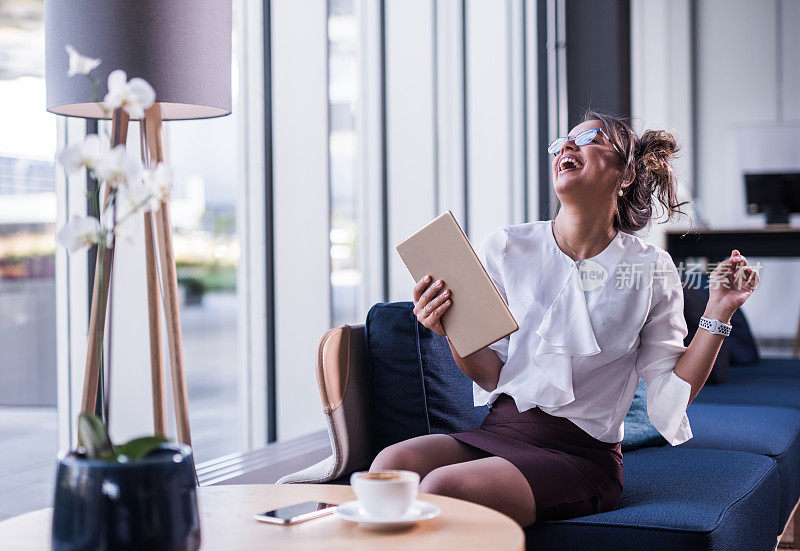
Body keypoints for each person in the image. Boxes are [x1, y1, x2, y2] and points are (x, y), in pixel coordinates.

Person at [369, 110, 761, 527]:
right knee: (390, 466)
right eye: (561, 143)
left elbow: (669, 388)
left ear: (626, 174)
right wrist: (450, 327)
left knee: (443, 490)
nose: (566, 147)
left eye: (589, 137)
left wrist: (719, 310)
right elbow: (489, 376)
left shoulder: (651, 268)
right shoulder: (506, 246)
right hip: (500, 429)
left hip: (580, 454)